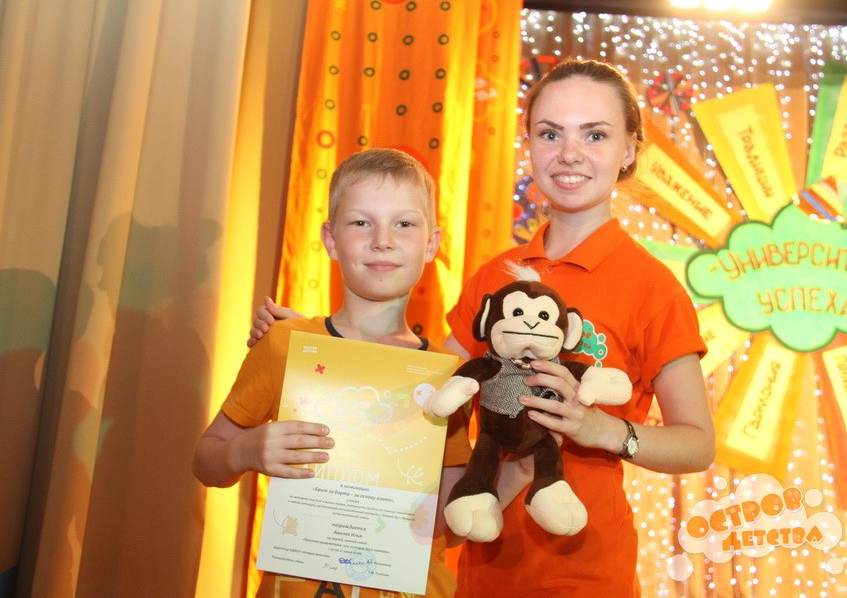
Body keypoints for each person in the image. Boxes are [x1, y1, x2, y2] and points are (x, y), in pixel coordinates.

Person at [250, 59, 716, 597]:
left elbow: (696, 444)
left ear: (630, 149)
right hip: (479, 564)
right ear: (530, 144)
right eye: (550, 133)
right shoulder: (497, 274)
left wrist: (602, 430)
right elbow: (426, 389)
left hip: (584, 573)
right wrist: (323, 345)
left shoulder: (653, 287)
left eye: (595, 134)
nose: (569, 154)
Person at [193, 148, 472, 598]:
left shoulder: (449, 379)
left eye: (404, 224)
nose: (382, 240)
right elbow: (206, 462)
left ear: (431, 243)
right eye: (361, 222)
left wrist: (516, 458)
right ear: (330, 239)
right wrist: (246, 450)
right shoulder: (286, 345)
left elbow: (450, 525)